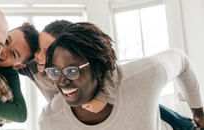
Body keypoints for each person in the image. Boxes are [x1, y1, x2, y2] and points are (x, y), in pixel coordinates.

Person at [21, 20, 198, 130]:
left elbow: (181, 59)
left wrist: (198, 112)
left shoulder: (143, 75)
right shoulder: (50, 120)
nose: (62, 80)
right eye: (54, 71)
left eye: (72, 70)